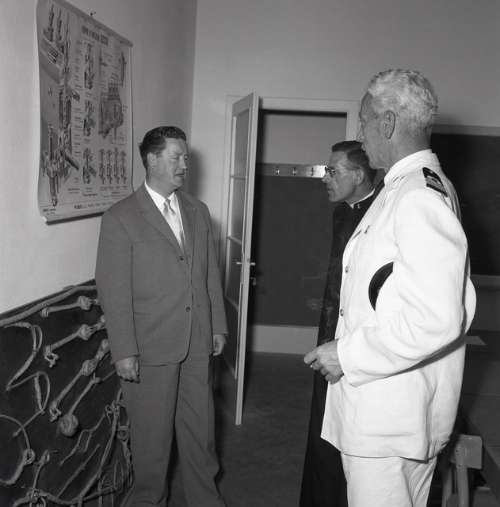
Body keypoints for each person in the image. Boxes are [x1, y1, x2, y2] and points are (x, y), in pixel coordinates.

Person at [304, 69, 476, 507]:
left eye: (364, 121)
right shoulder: (402, 187)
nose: (360, 134)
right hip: (389, 411)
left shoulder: (418, 195)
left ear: (388, 123)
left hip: (389, 419)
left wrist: (346, 355)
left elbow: (434, 318)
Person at [95, 126, 227, 507]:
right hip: (149, 348)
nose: (185, 164)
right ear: (152, 160)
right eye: (176, 157)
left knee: (201, 435)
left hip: (196, 342)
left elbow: (209, 275)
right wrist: (124, 350)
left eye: (186, 157)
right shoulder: (120, 217)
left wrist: (217, 325)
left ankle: (206, 501)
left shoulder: (198, 211)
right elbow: (113, 289)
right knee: (152, 444)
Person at [300, 140, 379, 507]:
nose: (325, 178)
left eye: (333, 171)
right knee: (323, 425)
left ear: (359, 175)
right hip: (330, 330)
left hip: (362, 342)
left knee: (353, 430)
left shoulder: (383, 213)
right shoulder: (341, 213)